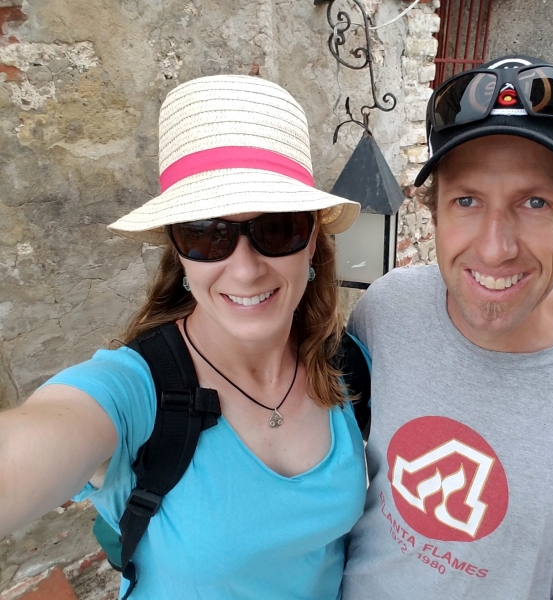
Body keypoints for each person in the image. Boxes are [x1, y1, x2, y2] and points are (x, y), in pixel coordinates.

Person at [0, 75, 367, 600]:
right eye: (206, 233)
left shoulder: (345, 364)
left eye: (278, 228)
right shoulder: (133, 391)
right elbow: (32, 445)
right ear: (178, 251)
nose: (245, 271)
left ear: (312, 242)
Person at [341, 56, 553, 600]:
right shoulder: (386, 311)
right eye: (467, 200)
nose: (496, 248)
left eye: (536, 202)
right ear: (435, 214)